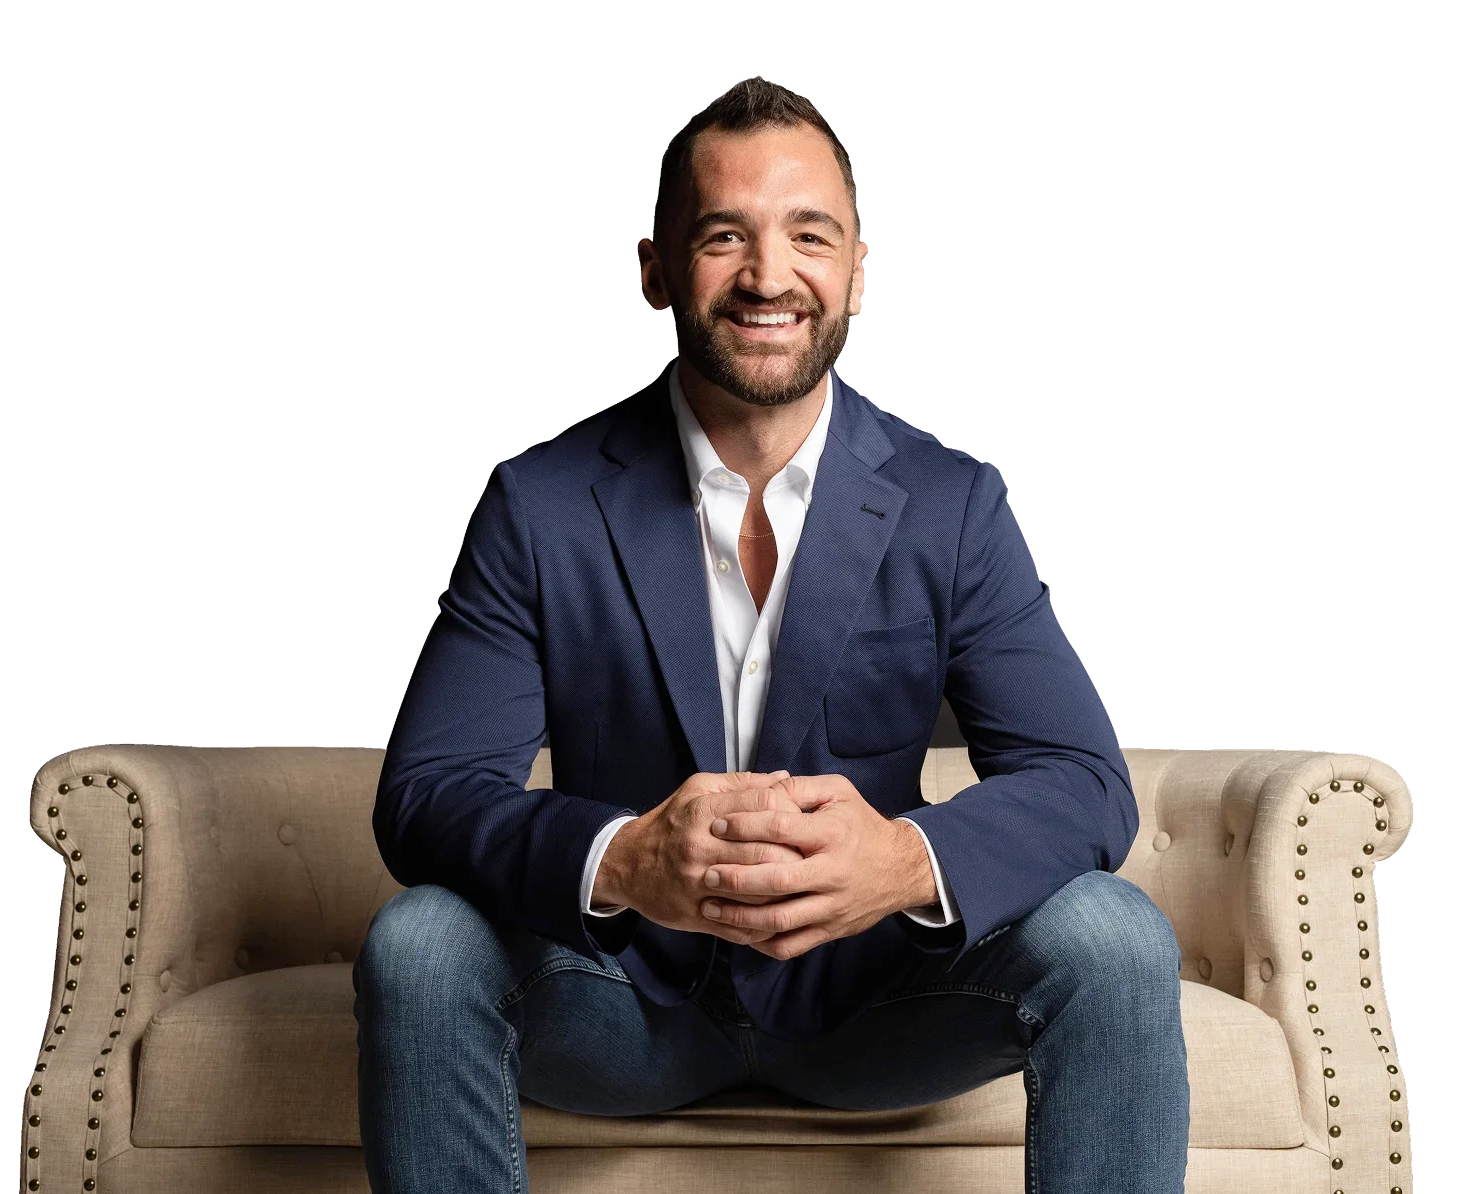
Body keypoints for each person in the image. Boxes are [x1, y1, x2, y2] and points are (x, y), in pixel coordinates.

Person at [353, 76, 1189, 1193]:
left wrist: (903, 861)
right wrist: (624, 861)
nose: (767, 276)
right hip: (625, 1004)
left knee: (1113, 937)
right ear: (652, 269)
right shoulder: (537, 502)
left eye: (809, 235)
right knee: (416, 943)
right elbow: (426, 795)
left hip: (874, 1006)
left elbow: (1083, 781)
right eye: (720, 236)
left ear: (854, 273)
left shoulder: (955, 502)